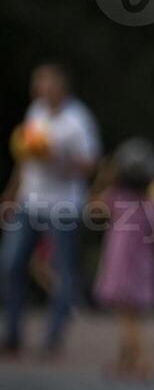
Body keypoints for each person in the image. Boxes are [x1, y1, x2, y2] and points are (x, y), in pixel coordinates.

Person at [1, 62, 101, 357]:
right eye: (38, 83)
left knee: (62, 272)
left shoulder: (78, 120)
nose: (40, 88)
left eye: (46, 83)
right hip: (29, 202)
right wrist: (11, 193)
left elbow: (90, 165)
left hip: (63, 207)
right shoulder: (36, 111)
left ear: (61, 86)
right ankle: (13, 333)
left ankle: (53, 336)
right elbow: (23, 158)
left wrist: (55, 157)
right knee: (11, 264)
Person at [91, 138, 154, 379]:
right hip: (144, 266)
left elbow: (92, 208)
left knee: (127, 317)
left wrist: (103, 177)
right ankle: (123, 363)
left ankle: (142, 360)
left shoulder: (116, 197)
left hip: (120, 265)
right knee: (132, 315)